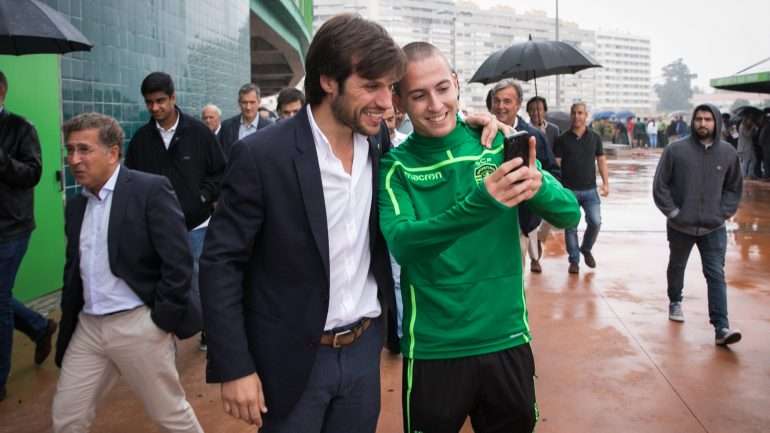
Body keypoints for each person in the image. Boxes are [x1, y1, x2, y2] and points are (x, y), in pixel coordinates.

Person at [198, 14, 404, 432]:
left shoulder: (379, 143)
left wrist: (475, 127)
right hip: (292, 360)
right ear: (328, 81)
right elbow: (221, 263)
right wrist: (234, 366)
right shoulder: (262, 156)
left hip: (364, 351)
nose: (387, 102)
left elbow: (432, 147)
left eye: (390, 87)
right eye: (371, 86)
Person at [381, 42, 580, 433]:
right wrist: (482, 201)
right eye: (418, 95)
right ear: (398, 101)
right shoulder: (395, 166)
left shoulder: (497, 144)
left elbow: (569, 212)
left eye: (442, 88)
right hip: (435, 348)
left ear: (456, 84)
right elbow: (403, 243)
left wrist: (534, 181)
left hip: (505, 338)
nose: (435, 105)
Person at [52, 113, 203, 432]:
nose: (74, 160)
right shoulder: (77, 206)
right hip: (89, 329)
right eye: (70, 150)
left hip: (137, 325)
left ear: (112, 152)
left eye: (84, 149)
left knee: (171, 416)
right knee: (67, 417)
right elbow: (73, 269)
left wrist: (161, 321)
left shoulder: (148, 190)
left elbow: (178, 261)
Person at [125, 71, 225, 352]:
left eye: (160, 101)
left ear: (173, 98)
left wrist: (202, 196)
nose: (155, 108)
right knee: (164, 284)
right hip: (158, 231)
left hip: (196, 225)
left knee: (199, 279)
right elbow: (131, 182)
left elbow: (220, 172)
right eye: (149, 103)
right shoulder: (141, 141)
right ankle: (165, 337)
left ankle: (208, 328)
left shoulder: (199, 133)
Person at [652, 104, 743, 346]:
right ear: (693, 122)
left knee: (715, 274)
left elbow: (734, 187)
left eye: (708, 119)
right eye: (699, 119)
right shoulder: (675, 150)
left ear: (716, 123)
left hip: (713, 228)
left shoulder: (728, 153)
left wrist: (722, 213)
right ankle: (675, 300)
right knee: (677, 266)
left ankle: (721, 327)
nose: (703, 124)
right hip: (681, 225)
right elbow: (660, 185)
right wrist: (674, 213)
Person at [0, 70, 58, 401]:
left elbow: (33, 173)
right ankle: (39, 326)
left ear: (2, 93)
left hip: (11, 227)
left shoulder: (21, 128)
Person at [490, 79, 559, 274]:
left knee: (514, 276)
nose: (501, 106)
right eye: (497, 101)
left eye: (507, 101)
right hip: (488, 220)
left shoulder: (533, 136)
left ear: (518, 104)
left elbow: (554, 173)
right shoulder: (480, 134)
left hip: (520, 221)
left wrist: (535, 182)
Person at [553, 102, 610, 274]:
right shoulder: (562, 139)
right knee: (570, 227)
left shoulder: (594, 137)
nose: (576, 116)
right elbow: (557, 164)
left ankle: (586, 248)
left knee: (595, 222)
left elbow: (601, 160)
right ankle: (574, 261)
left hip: (590, 190)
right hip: (569, 190)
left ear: (586, 116)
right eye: (574, 113)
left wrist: (606, 183)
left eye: (580, 113)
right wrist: (558, 188)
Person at [217, 83, 274, 157]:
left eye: (252, 102)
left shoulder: (270, 128)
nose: (248, 107)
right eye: (244, 102)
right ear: (239, 103)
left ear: (259, 102)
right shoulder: (226, 126)